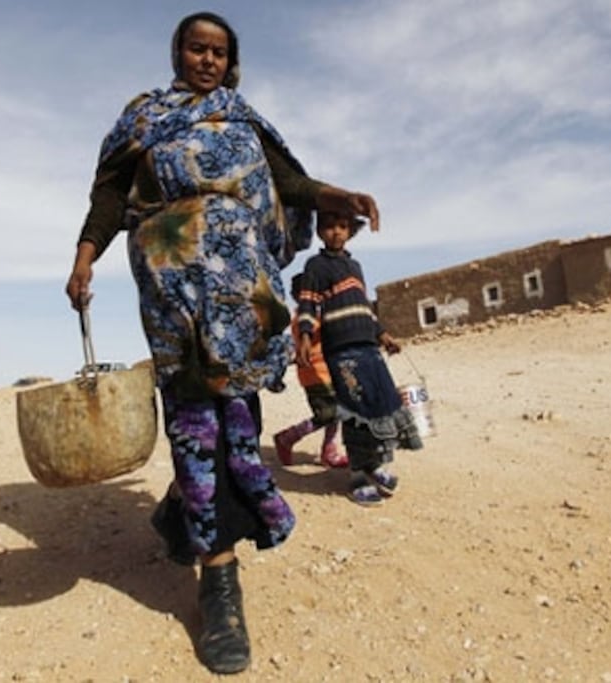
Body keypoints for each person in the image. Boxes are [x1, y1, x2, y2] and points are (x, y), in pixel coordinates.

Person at [64, 12, 379, 675]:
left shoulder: (243, 119)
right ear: (177, 51)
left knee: (233, 418)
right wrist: (85, 256)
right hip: (172, 289)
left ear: (230, 61)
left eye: (219, 52)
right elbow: (110, 195)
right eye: (196, 48)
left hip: (244, 293)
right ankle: (220, 577)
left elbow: (289, 185)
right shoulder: (143, 119)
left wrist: (338, 193)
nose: (207, 60)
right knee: (191, 420)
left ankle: (199, 523)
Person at [296, 210, 423, 507]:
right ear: (320, 233)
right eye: (330, 226)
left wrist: (383, 335)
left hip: (368, 347)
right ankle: (356, 475)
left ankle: (375, 465)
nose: (336, 232)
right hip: (341, 350)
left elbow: (364, 307)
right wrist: (303, 336)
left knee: (381, 405)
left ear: (350, 232)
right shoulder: (315, 265)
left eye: (342, 226)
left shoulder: (355, 266)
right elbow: (307, 304)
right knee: (356, 411)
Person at [272, 274, 349, 469]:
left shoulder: (317, 314)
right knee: (327, 414)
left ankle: (329, 450)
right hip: (314, 374)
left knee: (338, 411)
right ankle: (288, 437)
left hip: (330, 370)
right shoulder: (303, 319)